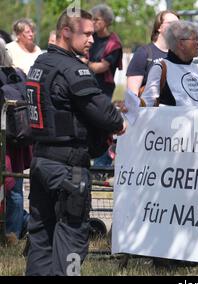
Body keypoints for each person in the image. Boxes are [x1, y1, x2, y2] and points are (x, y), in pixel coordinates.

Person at [24, 8, 126, 276]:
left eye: (94, 33)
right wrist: (121, 123)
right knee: (72, 238)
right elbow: (104, 113)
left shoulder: (40, 64)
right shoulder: (73, 69)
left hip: (41, 162)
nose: (92, 40)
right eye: (87, 34)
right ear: (66, 32)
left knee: (41, 235)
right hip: (68, 168)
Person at [82, 4, 123, 168]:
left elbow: (102, 67)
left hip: (103, 91)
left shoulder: (114, 43)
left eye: (96, 19)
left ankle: (102, 164)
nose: (93, 22)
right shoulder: (91, 38)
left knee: (103, 127)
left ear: (106, 21)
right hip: (86, 86)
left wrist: (84, 63)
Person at [141, 20, 198, 107]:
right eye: (195, 39)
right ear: (181, 44)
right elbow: (147, 103)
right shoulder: (161, 68)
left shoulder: (194, 68)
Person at [0, 40, 32, 242]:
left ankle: (11, 232)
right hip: (19, 138)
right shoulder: (19, 73)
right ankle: (15, 230)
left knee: (11, 187)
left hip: (6, 140)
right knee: (15, 186)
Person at [126, 10, 179, 96]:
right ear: (159, 27)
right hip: (150, 108)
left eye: (178, 24)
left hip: (176, 109)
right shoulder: (143, 53)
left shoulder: (179, 55)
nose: (175, 27)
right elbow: (132, 94)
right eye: (171, 23)